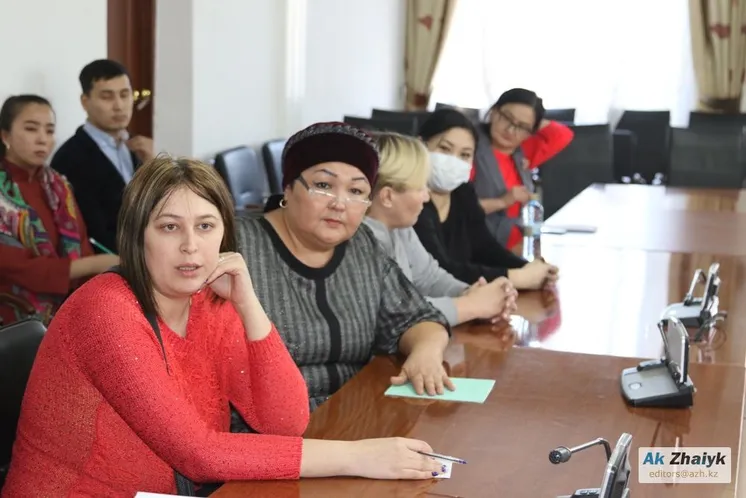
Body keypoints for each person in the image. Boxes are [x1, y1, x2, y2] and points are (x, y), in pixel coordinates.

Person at [3, 156, 448, 498]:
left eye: (205, 226)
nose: (190, 246)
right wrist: (358, 456)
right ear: (138, 236)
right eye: (169, 227)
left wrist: (249, 305)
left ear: (224, 235)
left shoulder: (208, 299)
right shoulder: (106, 310)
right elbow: (199, 454)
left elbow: (285, 422)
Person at [235, 122, 453, 412]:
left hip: (356, 415)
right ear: (288, 187)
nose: (340, 203)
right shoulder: (238, 245)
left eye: (356, 190)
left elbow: (417, 316)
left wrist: (426, 352)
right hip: (267, 426)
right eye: (323, 186)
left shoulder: (361, 244)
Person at [363, 131, 517, 327]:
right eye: (420, 188)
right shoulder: (359, 241)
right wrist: (472, 305)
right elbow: (393, 312)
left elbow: (431, 278)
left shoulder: (399, 227)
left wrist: (470, 293)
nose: (427, 197)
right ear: (387, 196)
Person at [0, 95, 119, 326]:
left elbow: (82, 245)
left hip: (69, 310)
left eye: (49, 130)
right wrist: (94, 264)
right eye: (31, 129)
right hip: (14, 321)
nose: (42, 139)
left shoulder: (59, 186)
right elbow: (19, 268)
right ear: (5, 136)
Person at [413, 108, 559, 290]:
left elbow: (484, 247)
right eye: (444, 149)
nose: (454, 160)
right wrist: (515, 277)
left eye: (465, 155)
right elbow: (439, 271)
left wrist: (529, 269)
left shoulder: (463, 192)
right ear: (420, 146)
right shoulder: (411, 199)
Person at [51, 59, 155, 254]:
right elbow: (92, 232)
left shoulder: (139, 148)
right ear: (85, 101)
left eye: (125, 95)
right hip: (111, 263)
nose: (119, 106)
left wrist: (155, 166)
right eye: (107, 97)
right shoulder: (70, 158)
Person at [472, 88, 574, 250]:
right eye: (506, 118)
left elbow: (563, 134)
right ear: (493, 112)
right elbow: (453, 210)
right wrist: (501, 202)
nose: (510, 130)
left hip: (522, 246)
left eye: (522, 127)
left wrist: (532, 119)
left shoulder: (523, 152)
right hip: (485, 250)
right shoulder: (469, 148)